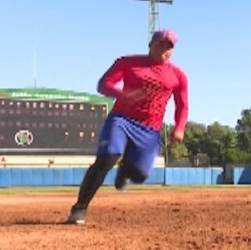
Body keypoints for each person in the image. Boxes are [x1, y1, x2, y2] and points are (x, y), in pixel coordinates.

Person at [66, 29, 189, 225]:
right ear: (150, 44)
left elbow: (182, 105)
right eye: (160, 44)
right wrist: (123, 94)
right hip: (121, 120)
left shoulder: (178, 76)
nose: (164, 49)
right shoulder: (128, 62)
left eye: (169, 46)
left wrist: (180, 127)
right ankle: (79, 209)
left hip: (149, 130)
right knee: (106, 158)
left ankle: (126, 169)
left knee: (140, 174)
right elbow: (103, 84)